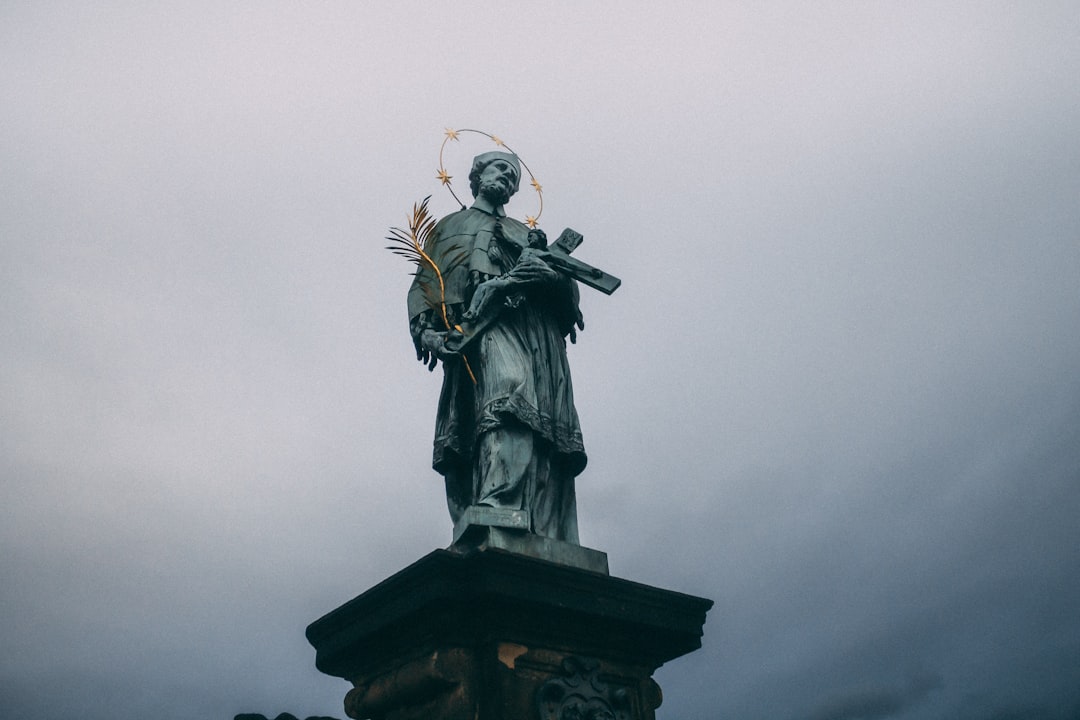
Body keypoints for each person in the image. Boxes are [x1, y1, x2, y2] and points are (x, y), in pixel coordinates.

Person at [407, 151, 586, 543]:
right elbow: (425, 287)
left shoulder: (525, 233)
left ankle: (528, 516)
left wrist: (546, 279)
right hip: (481, 332)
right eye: (499, 168)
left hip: (536, 335)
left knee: (526, 411)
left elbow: (564, 289)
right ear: (477, 175)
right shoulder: (450, 228)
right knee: (506, 395)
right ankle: (496, 503)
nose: (506, 176)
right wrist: (429, 335)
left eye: (513, 174)